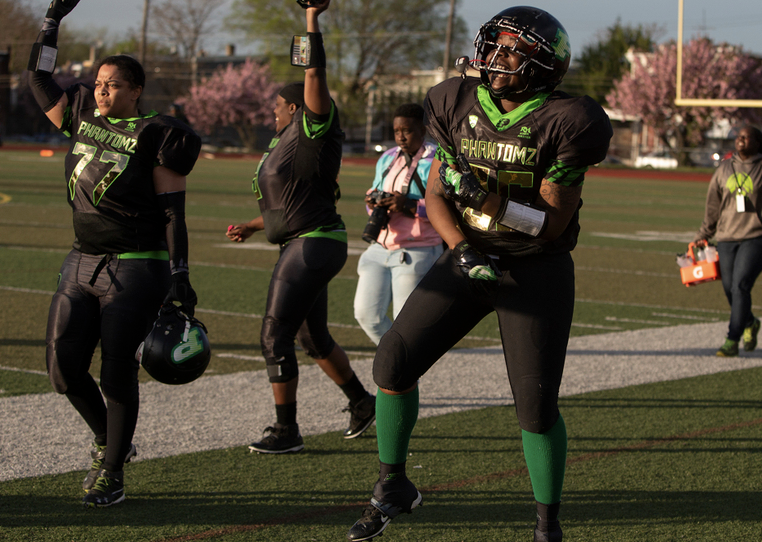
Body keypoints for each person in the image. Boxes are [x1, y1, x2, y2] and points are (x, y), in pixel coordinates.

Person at [346, 7, 612, 542]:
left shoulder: (570, 120)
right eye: (495, 44)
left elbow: (550, 222)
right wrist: (462, 248)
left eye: (513, 49)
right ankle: (392, 485)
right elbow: (440, 194)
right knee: (393, 360)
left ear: (542, 66)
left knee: (536, 407)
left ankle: (546, 524)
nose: (496, 56)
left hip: (535, 266)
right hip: (469, 254)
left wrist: (487, 199)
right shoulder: (453, 99)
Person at [28, 0, 202, 507]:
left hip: (136, 266)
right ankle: (111, 442)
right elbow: (40, 81)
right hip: (80, 260)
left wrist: (180, 274)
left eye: (114, 84)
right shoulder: (80, 114)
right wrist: (52, 21)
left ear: (136, 90)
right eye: (99, 82)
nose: (102, 89)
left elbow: (174, 214)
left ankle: (112, 472)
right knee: (63, 368)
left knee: (115, 369)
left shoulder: (156, 135)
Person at [225, 0, 376, 453]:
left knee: (274, 335)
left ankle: (286, 430)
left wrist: (310, 20)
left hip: (311, 244)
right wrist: (254, 226)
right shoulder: (284, 143)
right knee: (312, 337)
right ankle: (362, 402)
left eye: (277, 107)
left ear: (295, 106)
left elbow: (313, 75)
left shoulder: (312, 125)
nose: (272, 114)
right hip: (303, 240)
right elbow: (286, 203)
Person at [694, 126, 762, 357]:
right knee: (730, 288)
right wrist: (704, 234)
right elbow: (713, 205)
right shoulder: (724, 168)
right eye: (739, 136)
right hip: (726, 238)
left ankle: (732, 338)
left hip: (756, 237)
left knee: (740, 286)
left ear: (758, 142)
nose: (741, 139)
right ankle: (749, 322)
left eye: (747, 136)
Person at [353, 103, 444, 345]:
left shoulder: (436, 159)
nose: (401, 136)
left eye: (408, 130)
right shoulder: (387, 157)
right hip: (380, 246)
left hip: (418, 249)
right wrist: (373, 202)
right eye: (396, 131)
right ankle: (398, 366)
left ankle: (400, 375)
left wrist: (410, 206)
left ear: (423, 130)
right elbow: (375, 192)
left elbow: (448, 206)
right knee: (366, 315)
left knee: (405, 324)